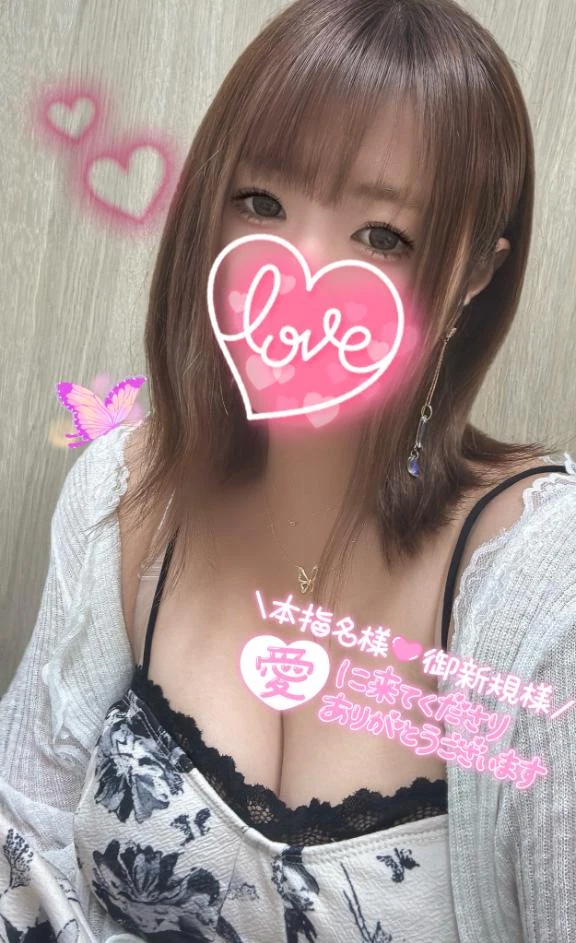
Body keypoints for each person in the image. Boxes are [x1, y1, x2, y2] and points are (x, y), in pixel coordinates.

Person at [1, 0, 575, 940]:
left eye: (384, 236)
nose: (298, 279)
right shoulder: (126, 488)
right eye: (261, 202)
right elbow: (21, 837)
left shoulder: (545, 588)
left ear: (475, 274)